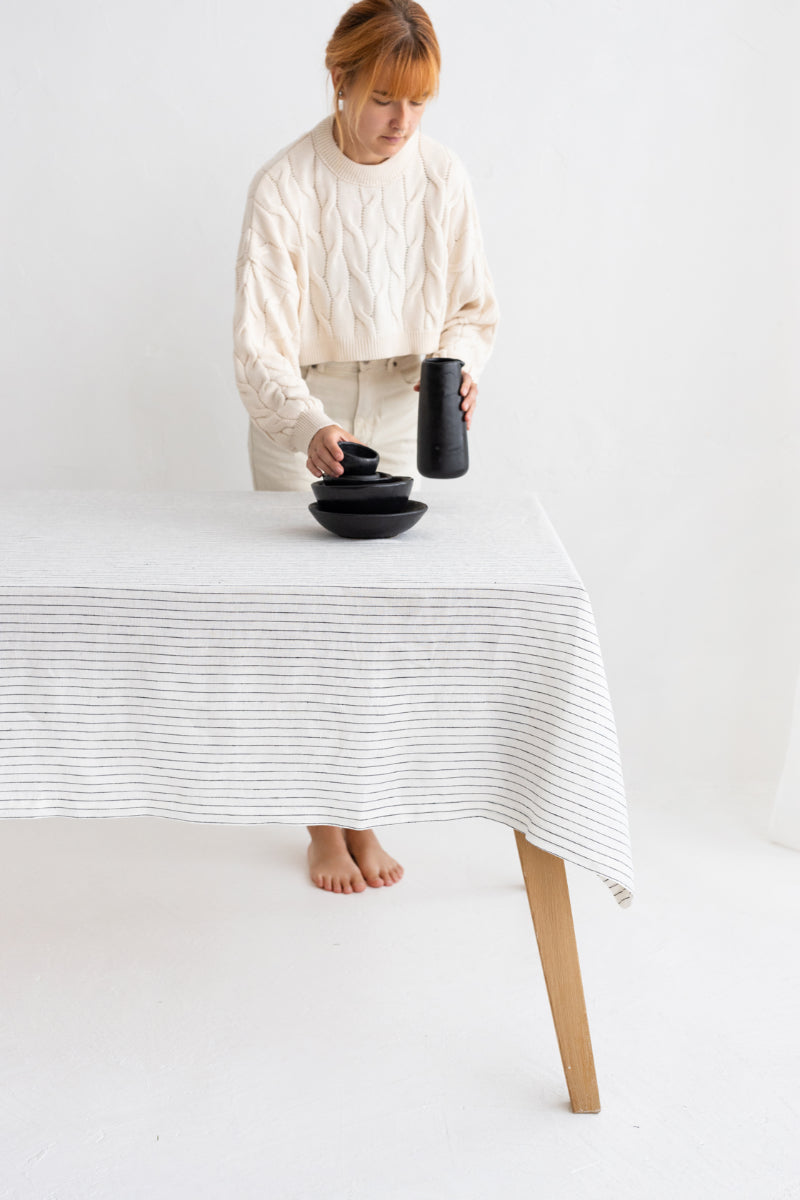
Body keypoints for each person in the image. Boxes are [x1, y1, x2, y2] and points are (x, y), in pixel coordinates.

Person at [233, 0, 498, 894]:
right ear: (339, 78)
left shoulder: (442, 177)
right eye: (385, 98)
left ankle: (364, 809)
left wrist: (458, 362)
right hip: (303, 415)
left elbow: (471, 307)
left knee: (376, 623)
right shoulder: (285, 183)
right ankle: (321, 824)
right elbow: (259, 344)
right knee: (306, 625)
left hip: (400, 404)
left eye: (419, 102)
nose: (401, 123)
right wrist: (307, 425)